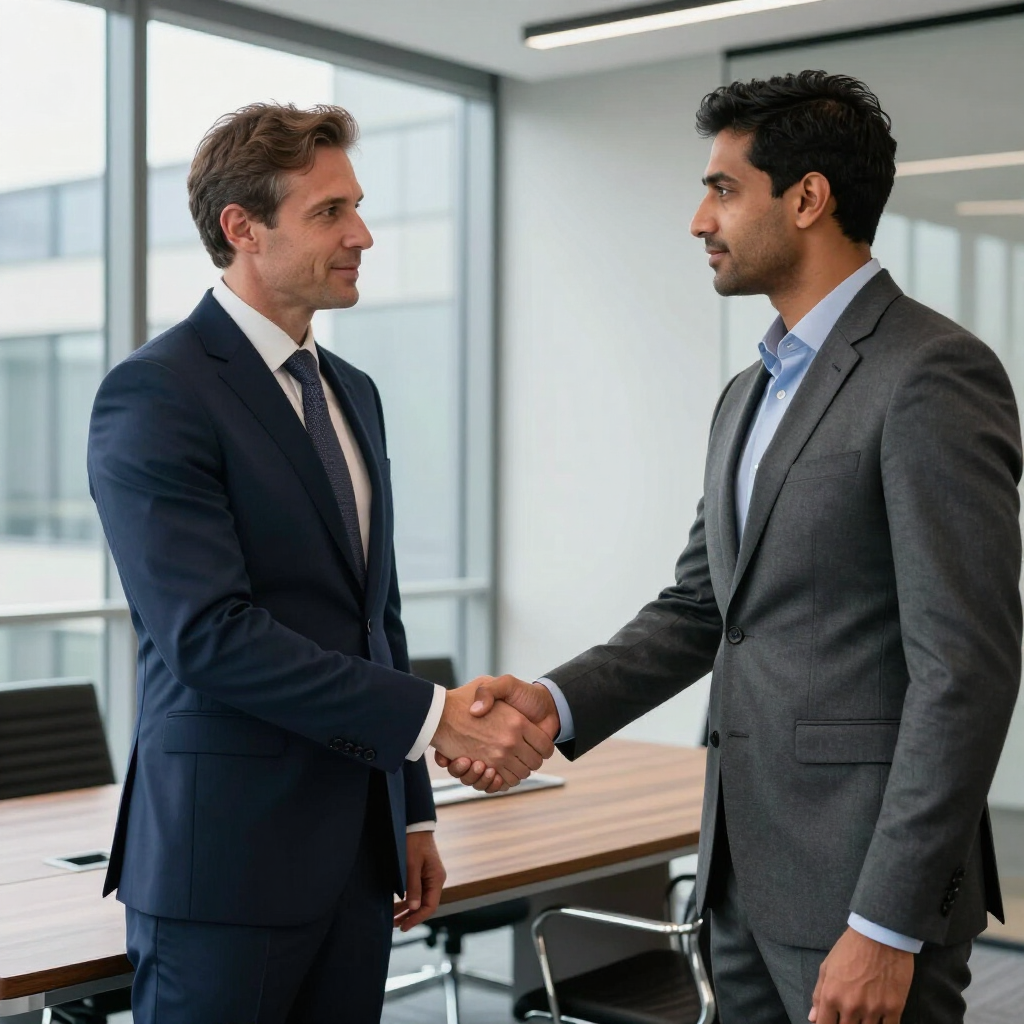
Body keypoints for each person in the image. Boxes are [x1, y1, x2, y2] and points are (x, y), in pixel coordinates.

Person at [439, 71, 1022, 1024]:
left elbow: (965, 670)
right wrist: (552, 703)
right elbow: (702, 609)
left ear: (806, 199)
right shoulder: (749, 394)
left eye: (722, 189)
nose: (698, 220)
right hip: (738, 880)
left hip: (861, 893)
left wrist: (886, 921)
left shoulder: (931, 374)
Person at [87, 102, 552, 1023]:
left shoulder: (352, 392)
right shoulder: (156, 393)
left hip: (357, 856)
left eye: (358, 207)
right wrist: (437, 720)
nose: (362, 234)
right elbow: (210, 637)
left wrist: (411, 812)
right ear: (242, 229)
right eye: (330, 212)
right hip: (224, 864)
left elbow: (374, 618)